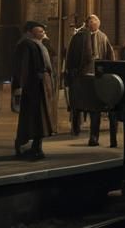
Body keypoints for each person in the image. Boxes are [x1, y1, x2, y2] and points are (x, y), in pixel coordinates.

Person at [65, 14, 118, 147]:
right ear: (87, 24)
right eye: (91, 22)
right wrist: (71, 72)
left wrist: (110, 70)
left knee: (95, 107)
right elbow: (71, 55)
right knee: (80, 104)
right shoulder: (79, 36)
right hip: (82, 77)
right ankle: (76, 128)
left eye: (96, 23)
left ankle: (93, 137)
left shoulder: (103, 36)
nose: (94, 25)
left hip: (97, 76)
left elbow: (109, 54)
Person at [12, 21, 55, 159]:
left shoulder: (39, 44)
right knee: (30, 119)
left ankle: (37, 147)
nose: (43, 33)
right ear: (30, 32)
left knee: (39, 119)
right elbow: (23, 67)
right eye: (40, 31)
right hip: (33, 87)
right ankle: (25, 147)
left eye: (43, 31)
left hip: (40, 86)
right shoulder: (26, 44)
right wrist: (21, 86)